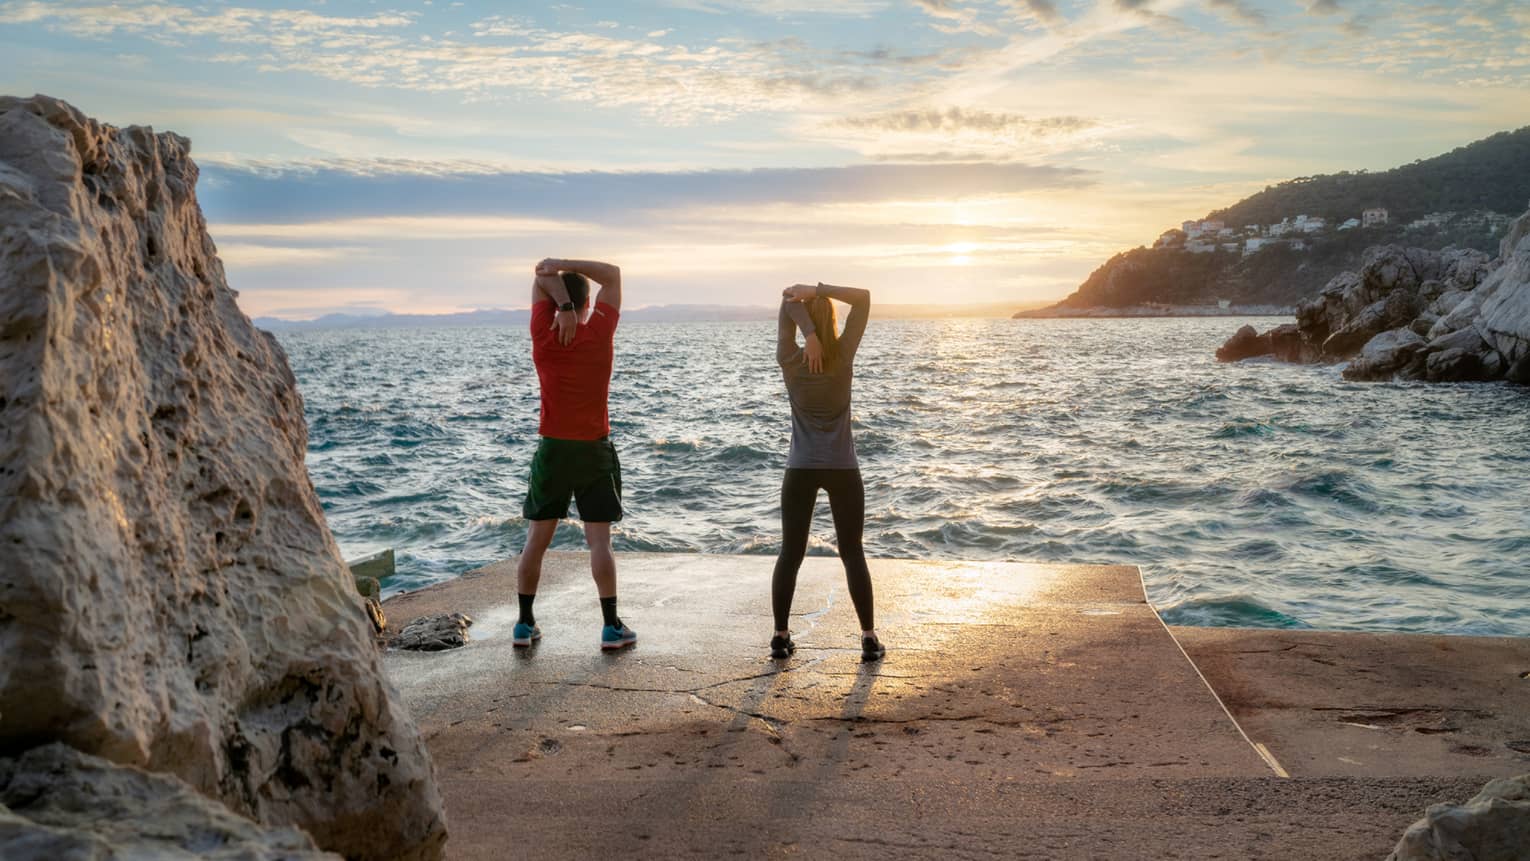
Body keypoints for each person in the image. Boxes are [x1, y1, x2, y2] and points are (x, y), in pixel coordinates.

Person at [513, 258, 637, 652]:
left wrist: (560, 305)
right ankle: (610, 627)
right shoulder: (598, 332)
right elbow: (613, 275)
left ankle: (523, 624)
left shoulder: (542, 336)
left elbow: (539, 278)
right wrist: (566, 267)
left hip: (553, 448)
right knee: (599, 543)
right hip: (592, 449)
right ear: (589, 305)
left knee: (536, 542)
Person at [771, 281, 882, 662]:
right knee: (853, 552)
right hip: (842, 468)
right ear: (833, 318)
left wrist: (808, 333)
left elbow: (786, 302)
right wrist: (819, 289)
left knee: (790, 553)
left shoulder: (789, 358)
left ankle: (780, 637)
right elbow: (864, 298)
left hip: (799, 468)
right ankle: (868, 638)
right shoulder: (843, 355)